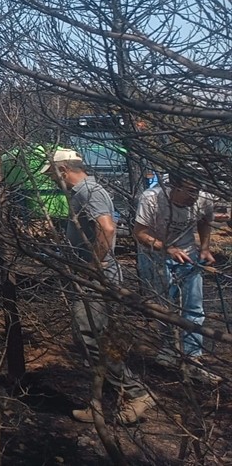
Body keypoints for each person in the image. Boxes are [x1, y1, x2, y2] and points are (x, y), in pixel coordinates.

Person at [48, 147, 153, 425]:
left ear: (63, 170)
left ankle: (136, 393)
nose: (51, 180)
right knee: (94, 339)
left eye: (52, 174)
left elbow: (107, 228)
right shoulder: (82, 192)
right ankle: (100, 404)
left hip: (96, 278)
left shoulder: (88, 192)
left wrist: (93, 265)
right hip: (93, 276)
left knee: (91, 339)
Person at [132, 170, 221, 384]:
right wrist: (167, 249)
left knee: (193, 307)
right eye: (189, 191)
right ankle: (169, 351)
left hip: (187, 253)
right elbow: (140, 233)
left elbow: (205, 220)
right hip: (155, 255)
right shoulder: (152, 198)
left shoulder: (204, 198)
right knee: (164, 306)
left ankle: (192, 358)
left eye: (197, 190)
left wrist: (204, 248)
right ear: (175, 186)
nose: (194, 196)